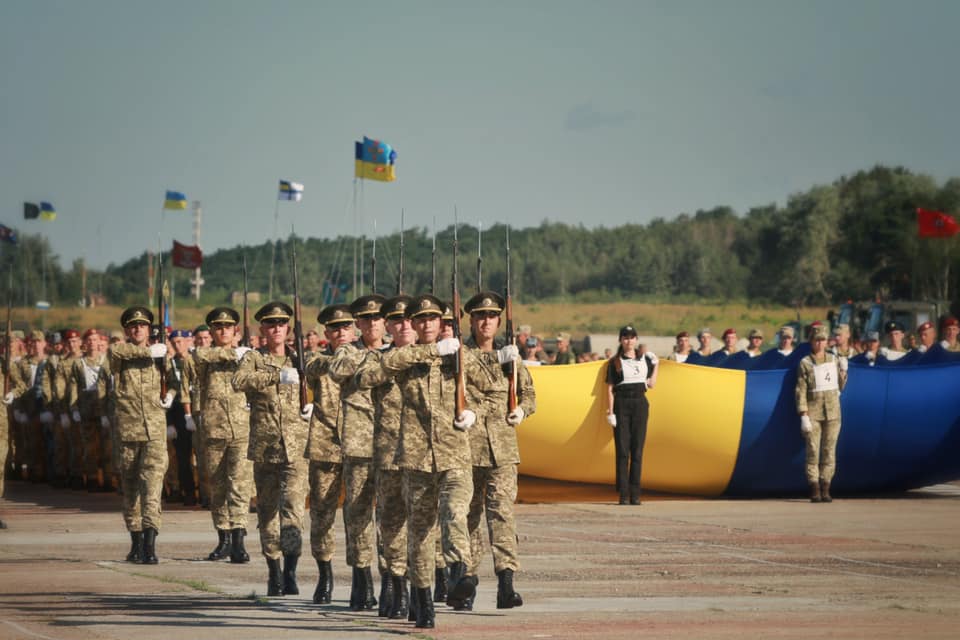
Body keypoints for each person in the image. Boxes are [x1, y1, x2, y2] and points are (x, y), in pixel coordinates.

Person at [377, 293, 491, 629]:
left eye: (433, 319)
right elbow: (381, 368)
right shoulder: (405, 358)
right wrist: (432, 351)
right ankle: (423, 598)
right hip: (416, 461)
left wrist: (474, 411)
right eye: (420, 319)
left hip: (455, 455)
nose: (427, 324)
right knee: (420, 534)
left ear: (442, 322)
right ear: (412, 324)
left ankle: (458, 575)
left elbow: (493, 390)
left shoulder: (462, 357)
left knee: (456, 512)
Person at [232, 301, 311, 596]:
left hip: (296, 449)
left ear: (288, 328)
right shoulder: (254, 358)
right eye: (270, 324)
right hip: (266, 448)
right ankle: (273, 571)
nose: (276, 328)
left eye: (281, 324)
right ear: (262, 329)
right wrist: (274, 376)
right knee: (267, 513)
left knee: (293, 512)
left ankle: (291, 572)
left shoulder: (300, 359)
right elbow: (238, 381)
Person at [462, 291, 535, 610]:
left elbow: (529, 393)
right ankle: (464, 579)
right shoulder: (460, 356)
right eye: (480, 316)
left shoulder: (511, 356)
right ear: (471, 320)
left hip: (503, 449)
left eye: (491, 316)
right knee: (467, 517)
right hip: (467, 448)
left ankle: (506, 583)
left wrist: (522, 410)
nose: (486, 321)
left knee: (502, 515)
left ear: (499, 320)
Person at [353, 295, 416, 618]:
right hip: (389, 456)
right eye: (397, 321)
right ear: (388, 326)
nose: (404, 326)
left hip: (424, 458)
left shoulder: (435, 357)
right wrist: (397, 359)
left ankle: (421, 588)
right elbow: (362, 378)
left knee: (422, 527)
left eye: (409, 320)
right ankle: (395, 584)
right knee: (390, 526)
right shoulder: (378, 359)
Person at [328, 293, 387, 611]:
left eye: (378, 318)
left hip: (393, 445)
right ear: (358, 324)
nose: (373, 324)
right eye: (366, 320)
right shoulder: (348, 352)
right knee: (358, 516)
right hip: (358, 445)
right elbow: (337, 370)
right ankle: (361, 581)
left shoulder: (398, 350)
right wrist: (375, 359)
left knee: (392, 518)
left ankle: (392, 579)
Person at [109, 306, 175, 563]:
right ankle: (135, 541)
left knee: (152, 488)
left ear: (149, 329)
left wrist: (170, 395)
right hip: (128, 432)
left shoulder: (161, 356)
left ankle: (150, 544)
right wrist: (149, 351)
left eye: (143, 325)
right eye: (133, 326)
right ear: (127, 330)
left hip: (155, 432)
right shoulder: (120, 354)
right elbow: (116, 351)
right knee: (131, 489)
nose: (138, 329)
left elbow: (175, 382)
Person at [193, 307, 254, 564]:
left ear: (236, 331)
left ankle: (239, 541)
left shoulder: (247, 356)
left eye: (227, 327)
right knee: (217, 487)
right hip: (214, 430)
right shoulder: (204, 355)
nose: (223, 331)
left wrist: (245, 356)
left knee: (239, 487)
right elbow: (199, 356)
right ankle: (224, 539)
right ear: (211, 332)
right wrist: (234, 354)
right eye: (218, 327)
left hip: (242, 430)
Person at [303, 303, 354, 606]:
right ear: (326, 333)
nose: (341, 332)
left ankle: (362, 575)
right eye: (335, 328)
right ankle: (325, 573)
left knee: (359, 514)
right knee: (322, 513)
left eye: (346, 327)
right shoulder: (317, 360)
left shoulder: (367, 359)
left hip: (359, 446)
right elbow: (313, 368)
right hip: (325, 445)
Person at [605, 325, 658, 505]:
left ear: (636, 339)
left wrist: (656, 365)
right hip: (622, 404)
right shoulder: (615, 362)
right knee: (622, 451)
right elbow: (610, 388)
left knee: (637, 451)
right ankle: (623, 493)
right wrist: (611, 412)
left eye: (632, 337)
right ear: (621, 340)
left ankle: (636, 493)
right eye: (625, 337)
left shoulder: (646, 360)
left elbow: (651, 384)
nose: (629, 340)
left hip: (640, 404)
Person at [795, 325, 847, 503]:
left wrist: (844, 372)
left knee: (829, 451)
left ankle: (826, 487)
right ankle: (814, 488)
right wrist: (803, 414)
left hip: (833, 413)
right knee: (813, 451)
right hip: (814, 413)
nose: (820, 343)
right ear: (811, 342)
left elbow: (840, 387)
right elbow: (800, 390)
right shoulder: (805, 363)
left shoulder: (833, 360)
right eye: (817, 340)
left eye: (823, 340)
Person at [65, 329, 111, 492]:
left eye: (95, 339)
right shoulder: (79, 363)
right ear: (85, 343)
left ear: (100, 342)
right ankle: (91, 478)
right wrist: (74, 408)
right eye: (89, 340)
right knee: (89, 447)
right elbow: (73, 386)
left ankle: (108, 478)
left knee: (108, 446)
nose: (92, 342)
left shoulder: (107, 361)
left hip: (104, 407)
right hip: (86, 408)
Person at [167, 329, 197, 506]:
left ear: (188, 341)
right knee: (183, 457)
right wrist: (169, 422)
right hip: (178, 412)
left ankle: (207, 492)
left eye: (181, 341)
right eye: (174, 342)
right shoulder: (169, 365)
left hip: (198, 409)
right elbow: (165, 393)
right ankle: (189, 492)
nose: (178, 345)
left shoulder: (197, 360)